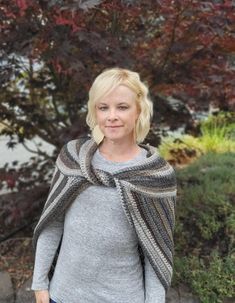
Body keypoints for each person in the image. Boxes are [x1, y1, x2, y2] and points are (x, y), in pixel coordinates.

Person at [31, 67, 177, 303]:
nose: (112, 116)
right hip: (62, 295)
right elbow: (52, 223)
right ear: (94, 111)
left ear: (139, 110)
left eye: (122, 107)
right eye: (103, 107)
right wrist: (39, 284)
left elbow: (156, 251)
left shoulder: (155, 175)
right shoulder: (73, 159)